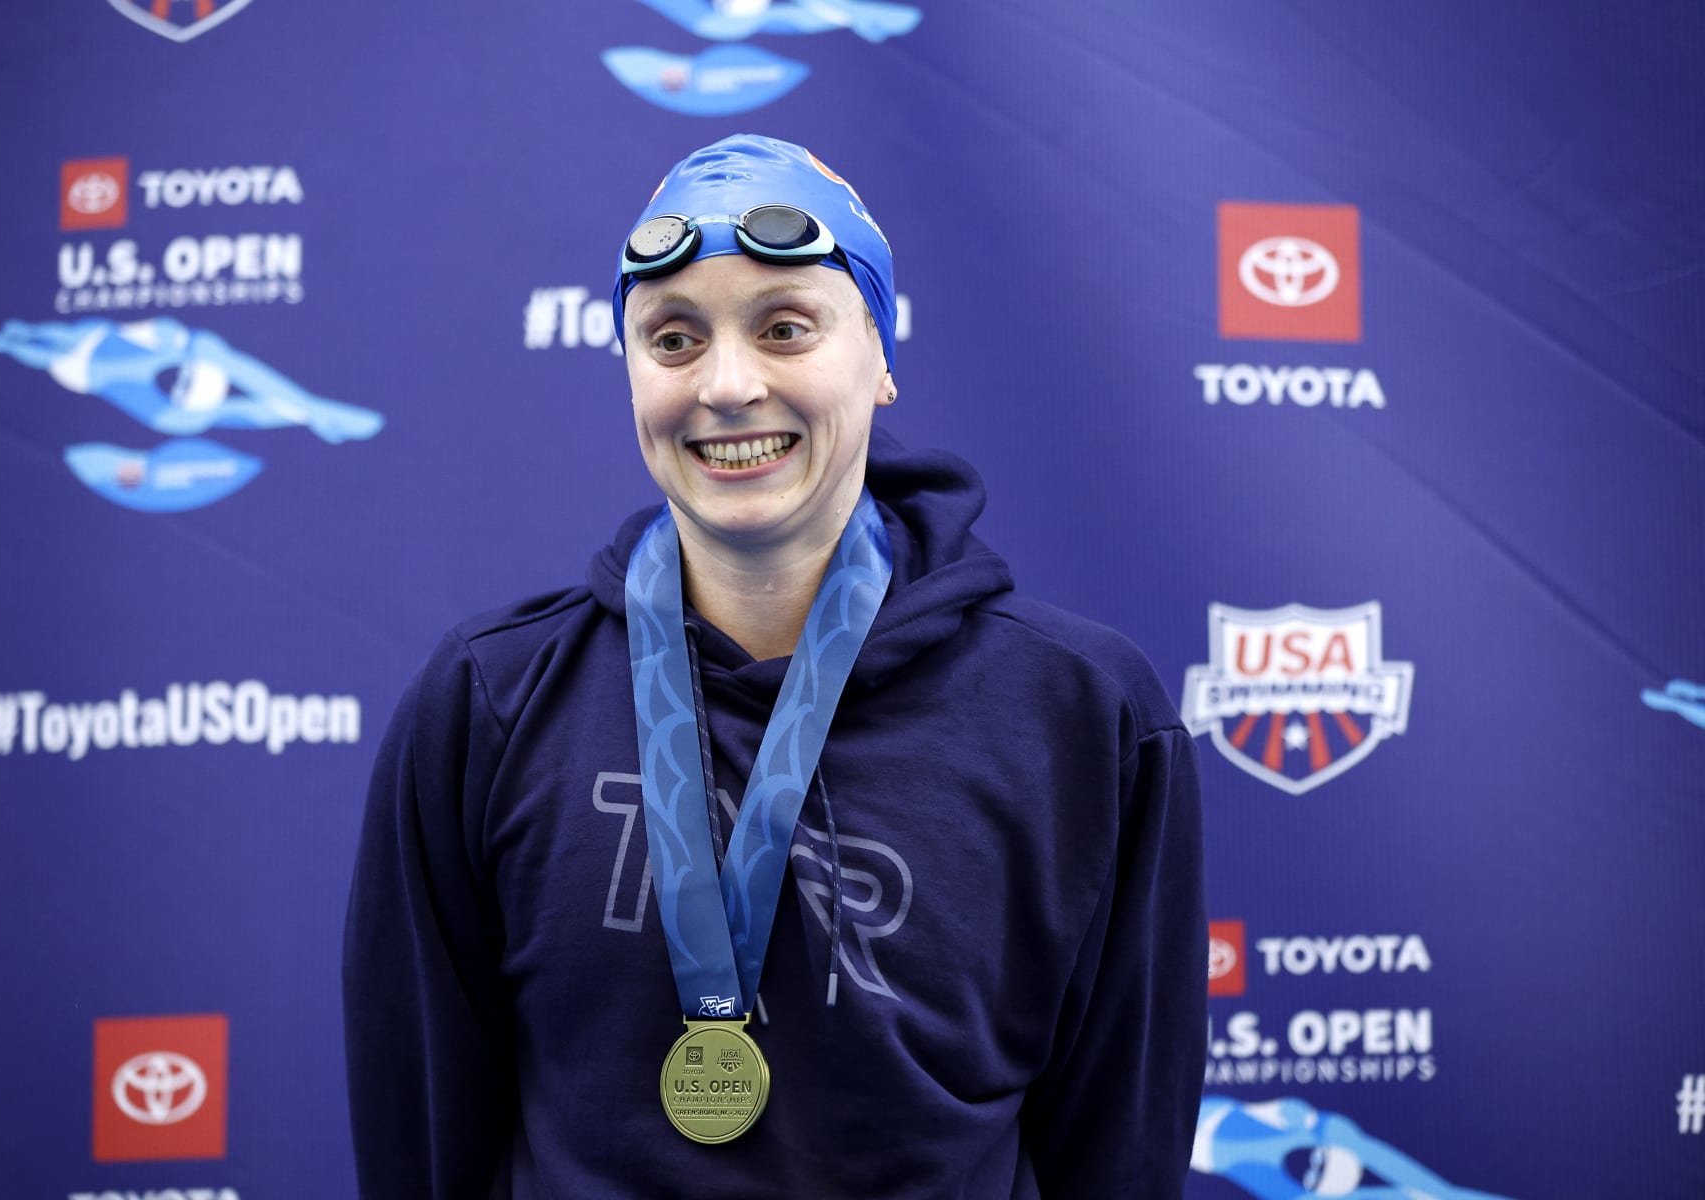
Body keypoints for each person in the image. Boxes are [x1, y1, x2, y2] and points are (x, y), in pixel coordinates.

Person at [343, 133, 1206, 1199]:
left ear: (882, 358)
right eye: (673, 339)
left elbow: (1118, 1155)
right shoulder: (489, 703)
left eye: (785, 326)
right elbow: (424, 1151)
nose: (728, 384)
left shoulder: (1082, 716)